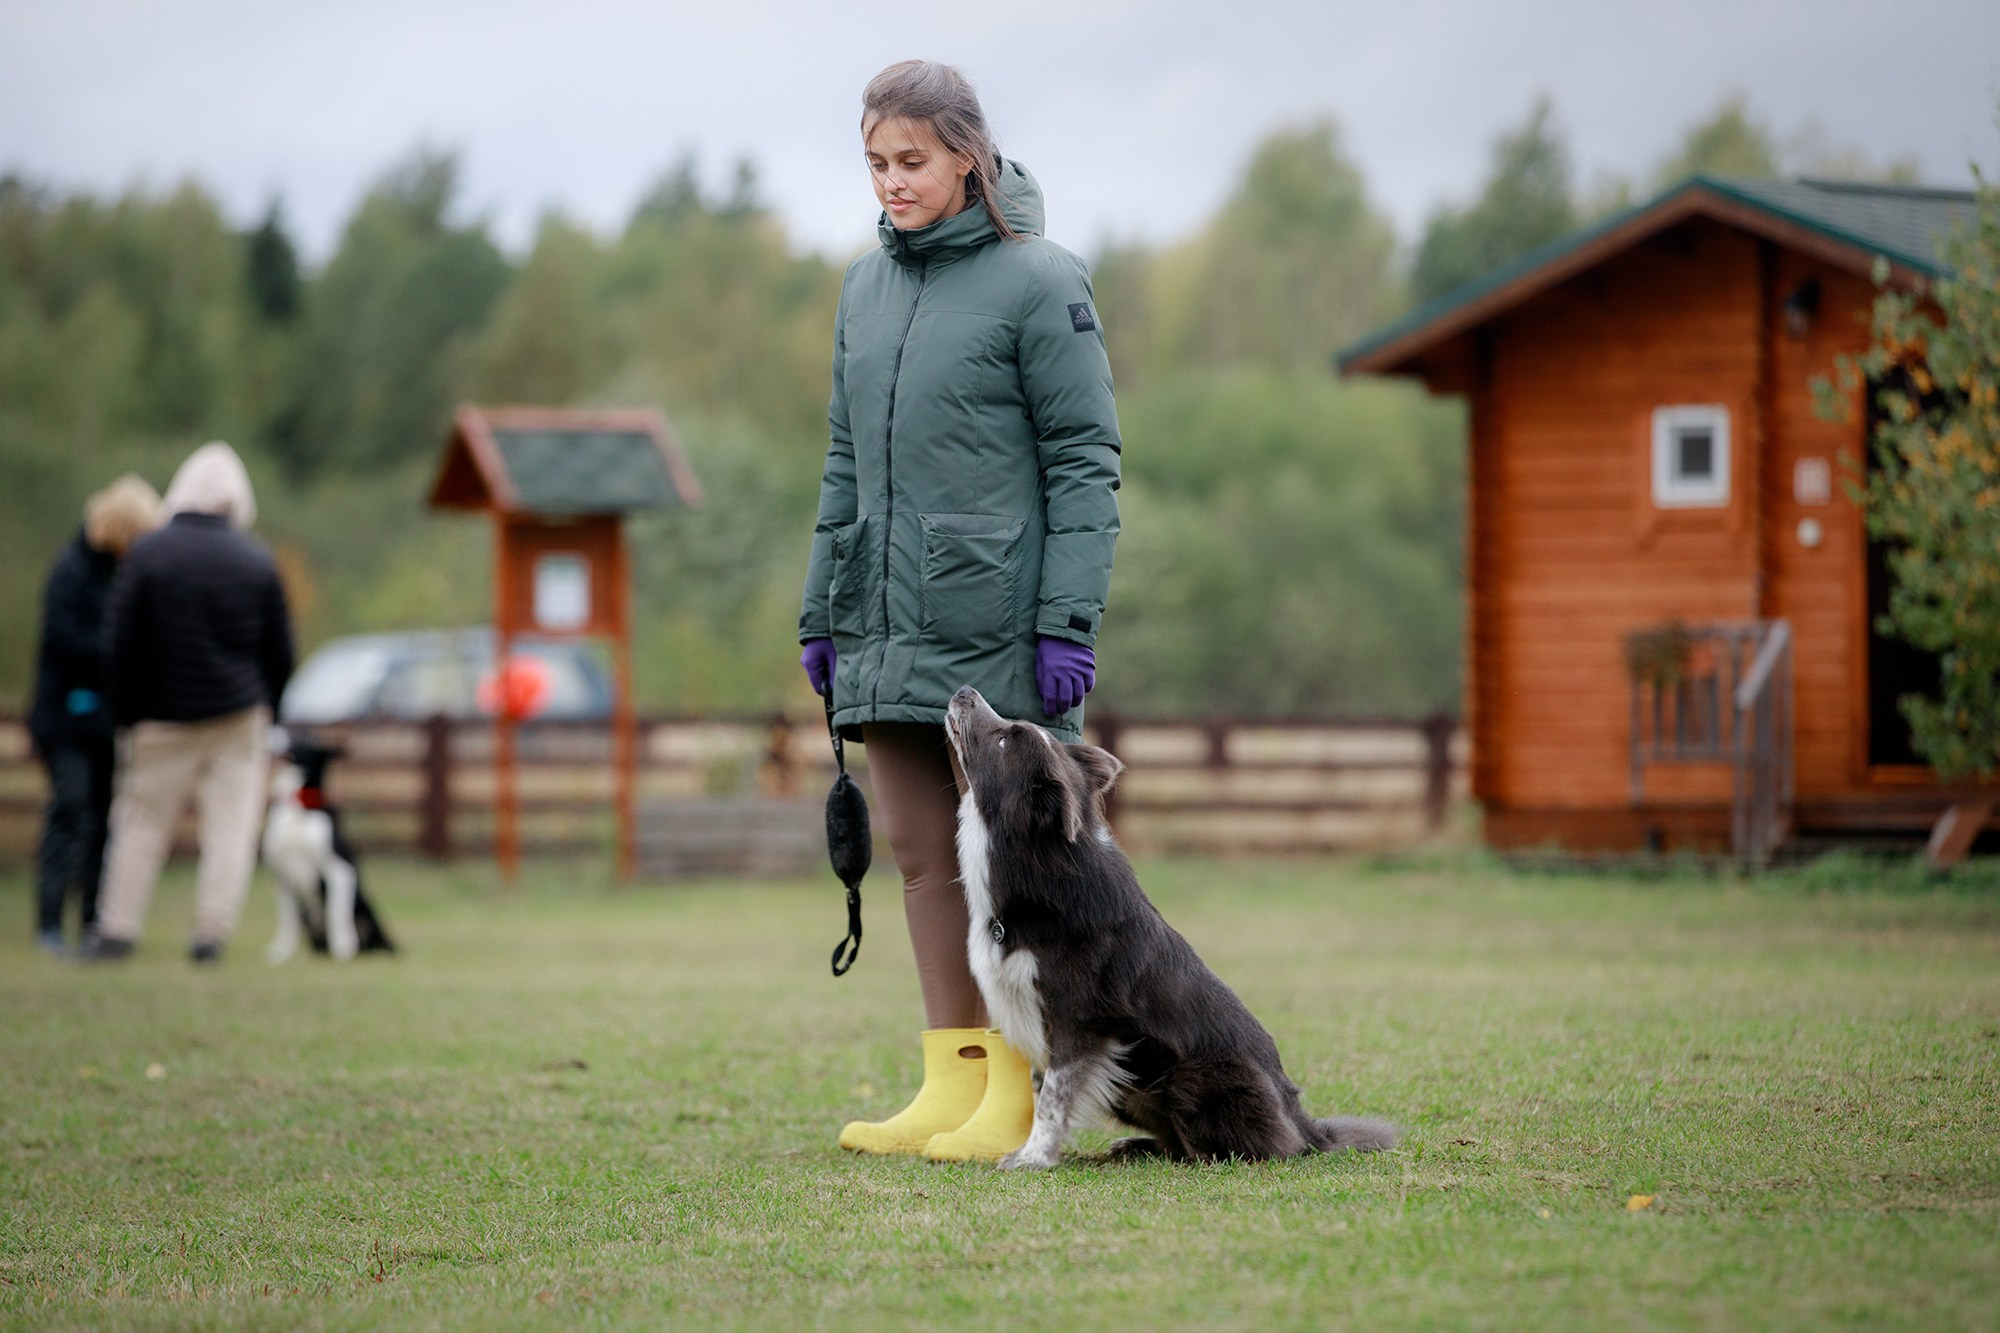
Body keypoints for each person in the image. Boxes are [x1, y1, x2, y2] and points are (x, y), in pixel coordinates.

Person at [797, 60, 1121, 1162]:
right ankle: (955, 1078)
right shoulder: (862, 289)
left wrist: (1064, 621)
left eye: (912, 161)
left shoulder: (1041, 280)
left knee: (1015, 870)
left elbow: (1084, 460)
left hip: (998, 624)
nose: (891, 183)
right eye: (876, 163)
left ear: (967, 157)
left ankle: (1029, 1089)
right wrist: (821, 611)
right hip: (886, 621)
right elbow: (843, 461)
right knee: (920, 856)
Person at [85, 442, 296, 964]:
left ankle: (116, 931)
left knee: (141, 824)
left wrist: (127, 712)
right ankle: (211, 934)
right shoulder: (257, 560)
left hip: (160, 718)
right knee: (230, 830)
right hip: (238, 716)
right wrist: (267, 704)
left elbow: (121, 644)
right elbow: (281, 652)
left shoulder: (150, 554)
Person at [27, 475, 162, 955]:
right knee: (70, 810)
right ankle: (48, 922)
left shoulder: (124, 575)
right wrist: (117, 650)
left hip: (107, 720)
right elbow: (62, 643)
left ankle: (92, 921)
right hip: (65, 720)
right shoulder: (71, 571)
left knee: (105, 817)